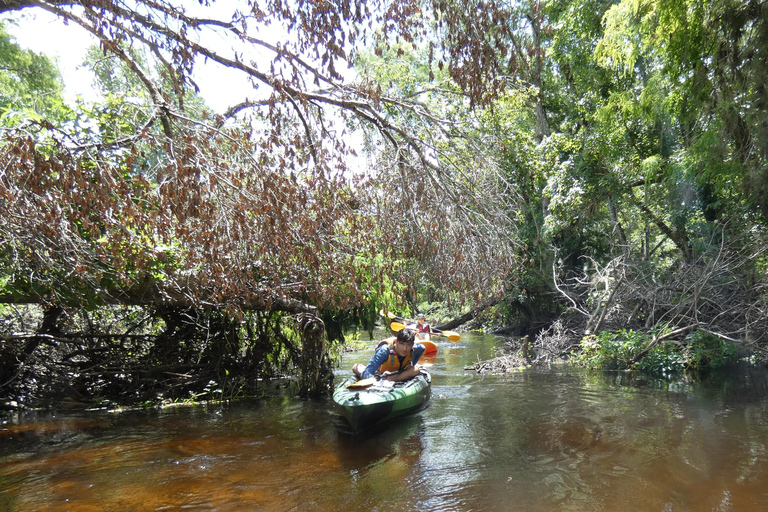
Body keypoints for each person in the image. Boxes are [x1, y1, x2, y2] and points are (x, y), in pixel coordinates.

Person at [353, 328, 425, 382]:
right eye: (402, 344)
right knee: (356, 367)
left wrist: (411, 363)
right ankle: (385, 378)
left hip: (399, 373)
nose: (405, 349)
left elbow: (422, 348)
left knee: (416, 369)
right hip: (381, 373)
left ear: (412, 344)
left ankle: (392, 378)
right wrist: (375, 379)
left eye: (408, 345)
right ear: (396, 342)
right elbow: (366, 373)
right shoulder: (384, 351)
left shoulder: (415, 348)